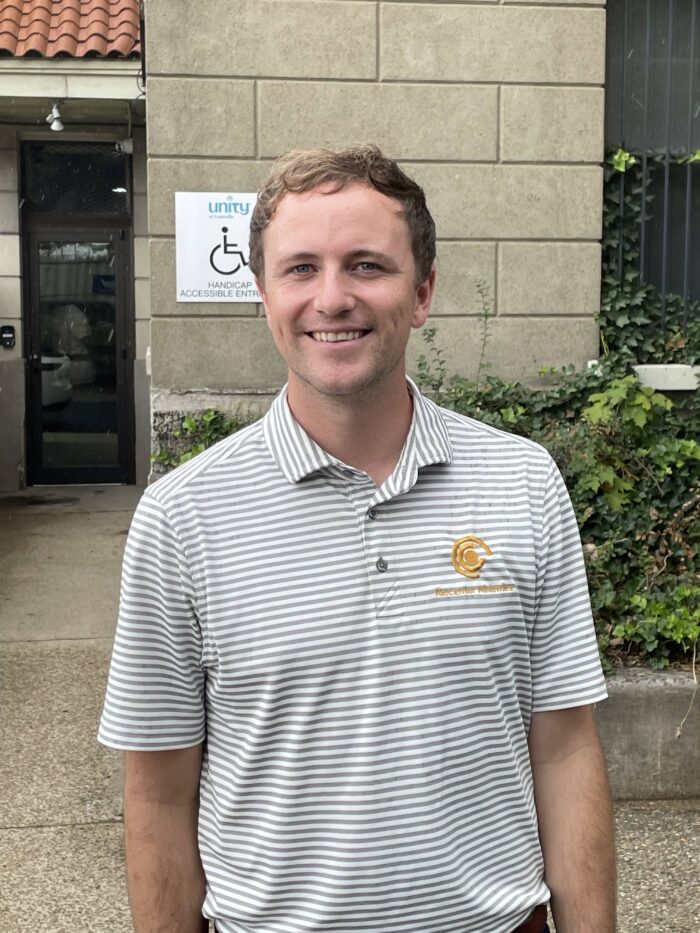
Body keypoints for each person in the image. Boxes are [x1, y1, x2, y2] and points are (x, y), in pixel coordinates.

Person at [99, 145, 616, 933]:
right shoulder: (181, 519)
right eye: (300, 268)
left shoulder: (523, 483)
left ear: (424, 290)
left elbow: (565, 747)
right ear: (264, 292)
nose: (332, 297)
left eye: (367, 265)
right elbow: (159, 793)